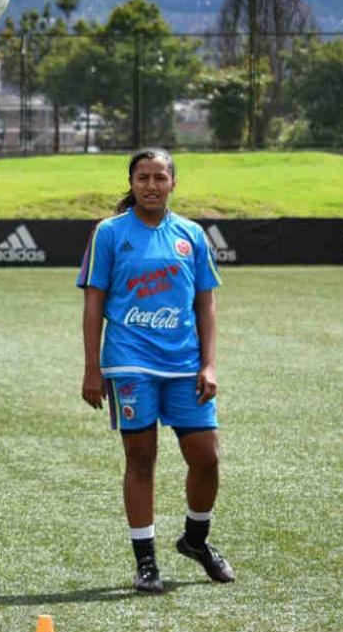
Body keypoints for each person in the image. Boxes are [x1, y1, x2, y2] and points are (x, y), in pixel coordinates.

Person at [77, 148, 235, 594]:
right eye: (143, 177)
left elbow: (205, 303)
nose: (151, 185)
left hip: (184, 365)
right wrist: (92, 368)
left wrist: (208, 363)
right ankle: (146, 562)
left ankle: (195, 540)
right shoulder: (109, 233)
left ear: (173, 184)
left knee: (207, 457)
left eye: (159, 177)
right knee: (141, 460)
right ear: (131, 183)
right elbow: (93, 303)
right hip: (130, 362)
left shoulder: (191, 235)